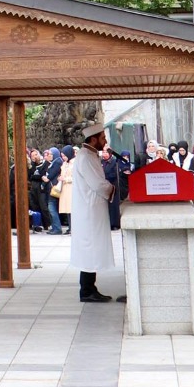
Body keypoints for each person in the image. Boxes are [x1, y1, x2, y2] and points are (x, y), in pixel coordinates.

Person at [71, 112, 119, 303]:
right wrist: (114, 189)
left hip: (93, 210)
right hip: (89, 212)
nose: (105, 141)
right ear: (93, 139)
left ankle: (90, 288)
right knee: (89, 250)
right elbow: (98, 185)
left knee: (92, 250)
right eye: (102, 138)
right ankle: (87, 291)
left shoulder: (90, 155)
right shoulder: (86, 157)